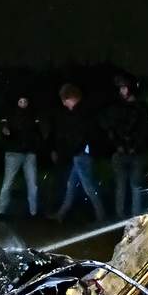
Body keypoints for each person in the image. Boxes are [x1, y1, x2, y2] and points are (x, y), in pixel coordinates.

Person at [50, 83, 106, 223]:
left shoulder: (80, 113)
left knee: (88, 187)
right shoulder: (82, 111)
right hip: (80, 155)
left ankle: (101, 217)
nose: (64, 104)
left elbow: (81, 135)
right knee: (71, 185)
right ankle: (61, 215)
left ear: (71, 98)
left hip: (82, 155)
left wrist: (73, 150)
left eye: (65, 101)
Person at [100, 73, 148, 218]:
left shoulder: (141, 108)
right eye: (121, 88)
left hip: (136, 153)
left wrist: (135, 146)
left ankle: (136, 217)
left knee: (135, 185)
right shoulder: (117, 107)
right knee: (121, 186)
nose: (122, 91)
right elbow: (111, 128)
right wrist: (118, 145)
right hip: (121, 153)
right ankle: (120, 217)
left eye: (124, 88)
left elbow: (144, 130)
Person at [0, 96, 43, 217]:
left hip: (30, 154)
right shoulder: (10, 114)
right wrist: (5, 131)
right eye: (20, 101)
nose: (23, 103)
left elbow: (38, 133)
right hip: (13, 153)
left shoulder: (33, 115)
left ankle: (34, 212)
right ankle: (1, 211)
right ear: (17, 102)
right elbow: (3, 130)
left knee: (33, 184)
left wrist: (36, 146)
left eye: (25, 101)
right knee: (8, 182)